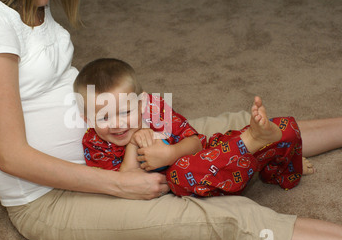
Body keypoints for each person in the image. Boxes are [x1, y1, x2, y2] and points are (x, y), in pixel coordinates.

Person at [0, 0, 342, 240]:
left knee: (236, 127)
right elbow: (11, 155)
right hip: (53, 197)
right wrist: (121, 186)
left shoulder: (31, 8)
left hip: (110, 135)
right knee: (231, 220)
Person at [74, 58, 312, 197]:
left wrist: (170, 152)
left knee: (284, 128)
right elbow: (125, 183)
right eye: (103, 117)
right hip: (192, 178)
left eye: (126, 112)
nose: (116, 124)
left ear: (142, 102)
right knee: (179, 174)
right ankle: (250, 146)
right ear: (87, 119)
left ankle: (271, 162)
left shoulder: (155, 110)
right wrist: (133, 144)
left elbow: (196, 141)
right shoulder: (95, 144)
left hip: (208, 154)